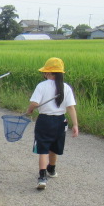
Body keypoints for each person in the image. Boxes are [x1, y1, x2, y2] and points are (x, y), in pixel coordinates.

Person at [25, 57, 79, 190]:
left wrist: (30, 110)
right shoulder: (65, 87)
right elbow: (71, 107)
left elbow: (35, 103)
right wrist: (76, 125)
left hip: (45, 120)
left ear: (48, 73)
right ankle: (52, 169)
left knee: (43, 149)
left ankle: (42, 177)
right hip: (60, 121)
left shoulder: (42, 86)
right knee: (54, 147)